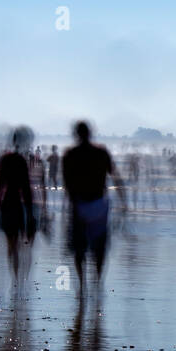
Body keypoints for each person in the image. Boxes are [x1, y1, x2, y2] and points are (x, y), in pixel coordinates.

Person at [61, 121, 119, 301]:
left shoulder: (70, 154)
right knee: (99, 248)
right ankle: (97, 283)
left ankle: (82, 286)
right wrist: (125, 204)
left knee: (79, 249)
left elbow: (67, 185)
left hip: (79, 206)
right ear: (90, 133)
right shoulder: (101, 152)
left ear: (75, 134)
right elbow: (115, 176)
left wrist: (67, 209)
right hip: (99, 206)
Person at [0, 131, 38, 282]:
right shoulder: (21, 161)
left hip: (7, 202)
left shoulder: (5, 159)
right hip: (18, 203)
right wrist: (30, 210)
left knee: (10, 242)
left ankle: (14, 275)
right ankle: (17, 275)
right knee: (19, 240)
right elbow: (26, 187)